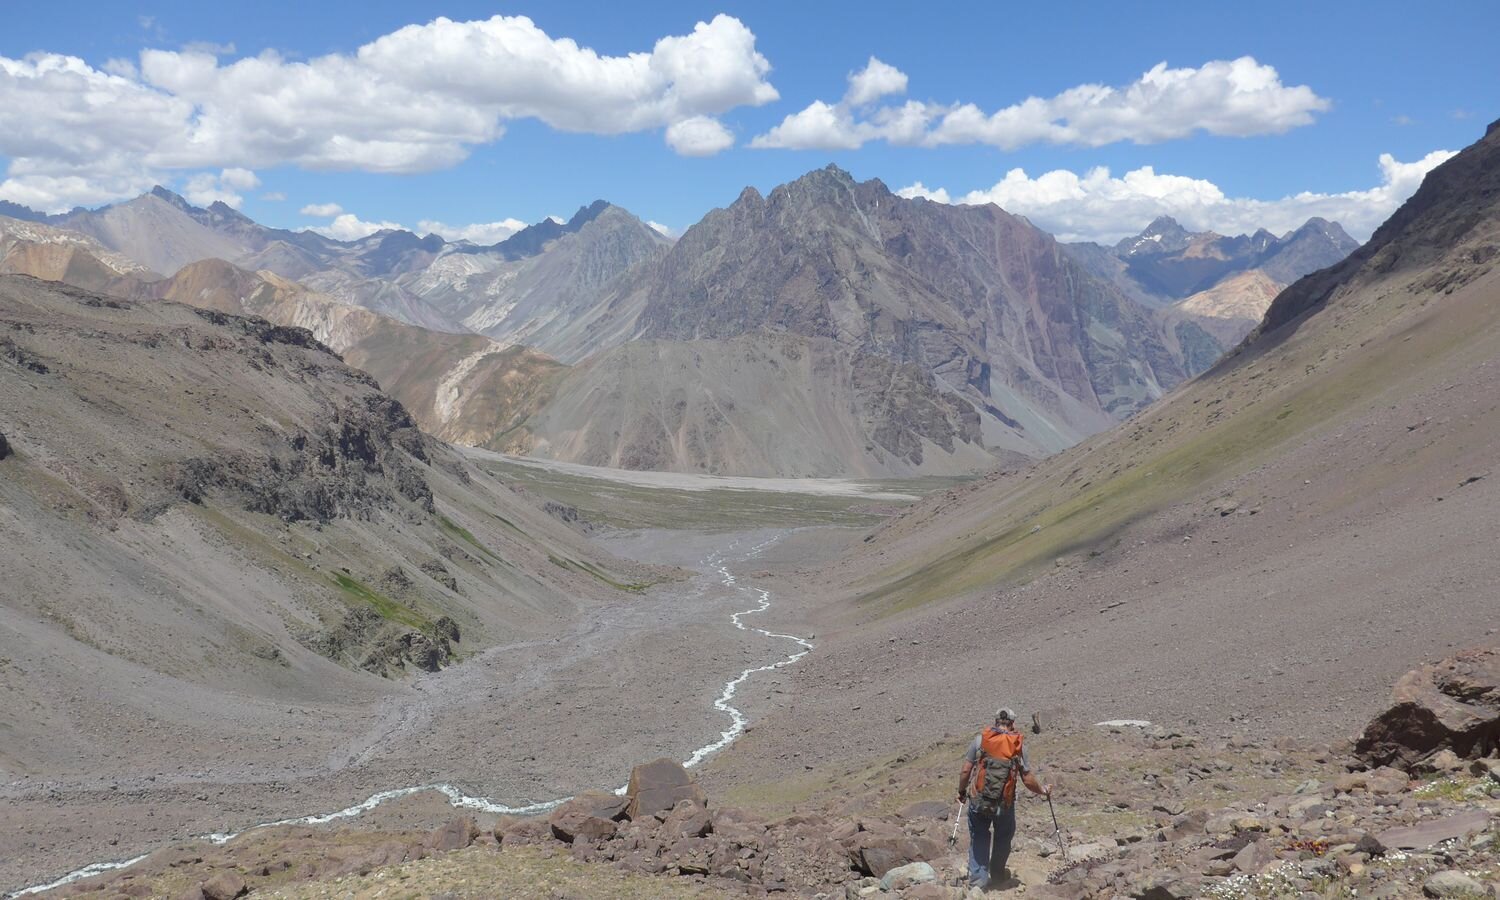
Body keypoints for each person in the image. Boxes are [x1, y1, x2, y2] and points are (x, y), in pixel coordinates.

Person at [956, 707, 1051, 889]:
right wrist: (1043, 790)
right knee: (1003, 837)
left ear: (995, 722)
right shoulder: (1018, 745)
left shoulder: (980, 740)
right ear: (1013, 723)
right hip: (1004, 804)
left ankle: (978, 882)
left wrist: (961, 792)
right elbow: (1028, 779)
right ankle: (998, 875)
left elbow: (966, 770)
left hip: (979, 801)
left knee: (979, 836)